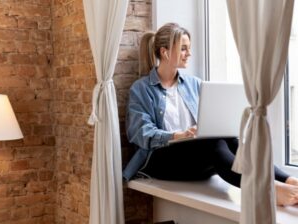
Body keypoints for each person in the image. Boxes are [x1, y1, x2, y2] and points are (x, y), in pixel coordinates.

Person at [123, 22, 298, 206]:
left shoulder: (194, 84)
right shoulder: (141, 89)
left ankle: (287, 180)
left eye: (189, 48)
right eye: (183, 48)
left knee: (232, 140)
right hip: (159, 160)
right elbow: (141, 134)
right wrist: (178, 135)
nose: (189, 53)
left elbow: (211, 122)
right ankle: (265, 190)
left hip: (194, 158)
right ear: (165, 52)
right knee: (213, 144)